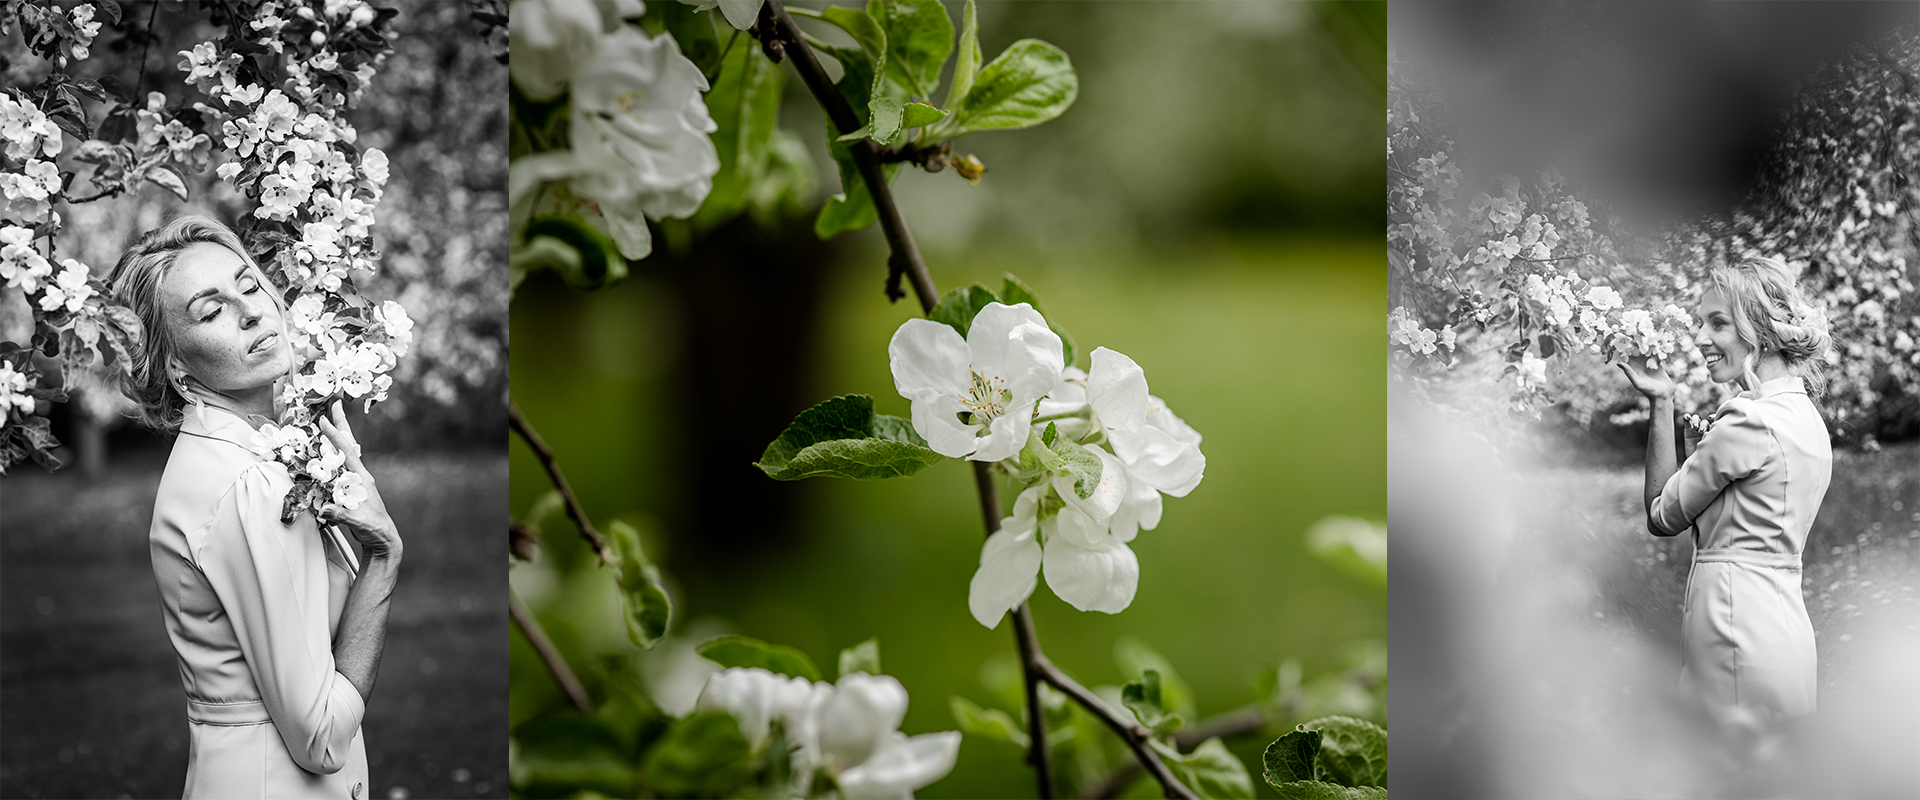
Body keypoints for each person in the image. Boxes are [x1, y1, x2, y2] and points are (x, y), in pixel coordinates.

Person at [108, 215, 403, 799]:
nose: (251, 312)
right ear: (174, 364)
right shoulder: (245, 486)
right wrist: (384, 555)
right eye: (210, 311)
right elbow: (319, 736)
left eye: (248, 285)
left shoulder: (240, 454)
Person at [1619, 255, 1832, 725]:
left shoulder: (1747, 418)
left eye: (1718, 322)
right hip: (1783, 631)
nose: (1699, 338)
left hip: (1733, 632)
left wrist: (1662, 401)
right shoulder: (1806, 420)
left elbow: (1661, 517)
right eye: (1700, 322)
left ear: (1760, 329)